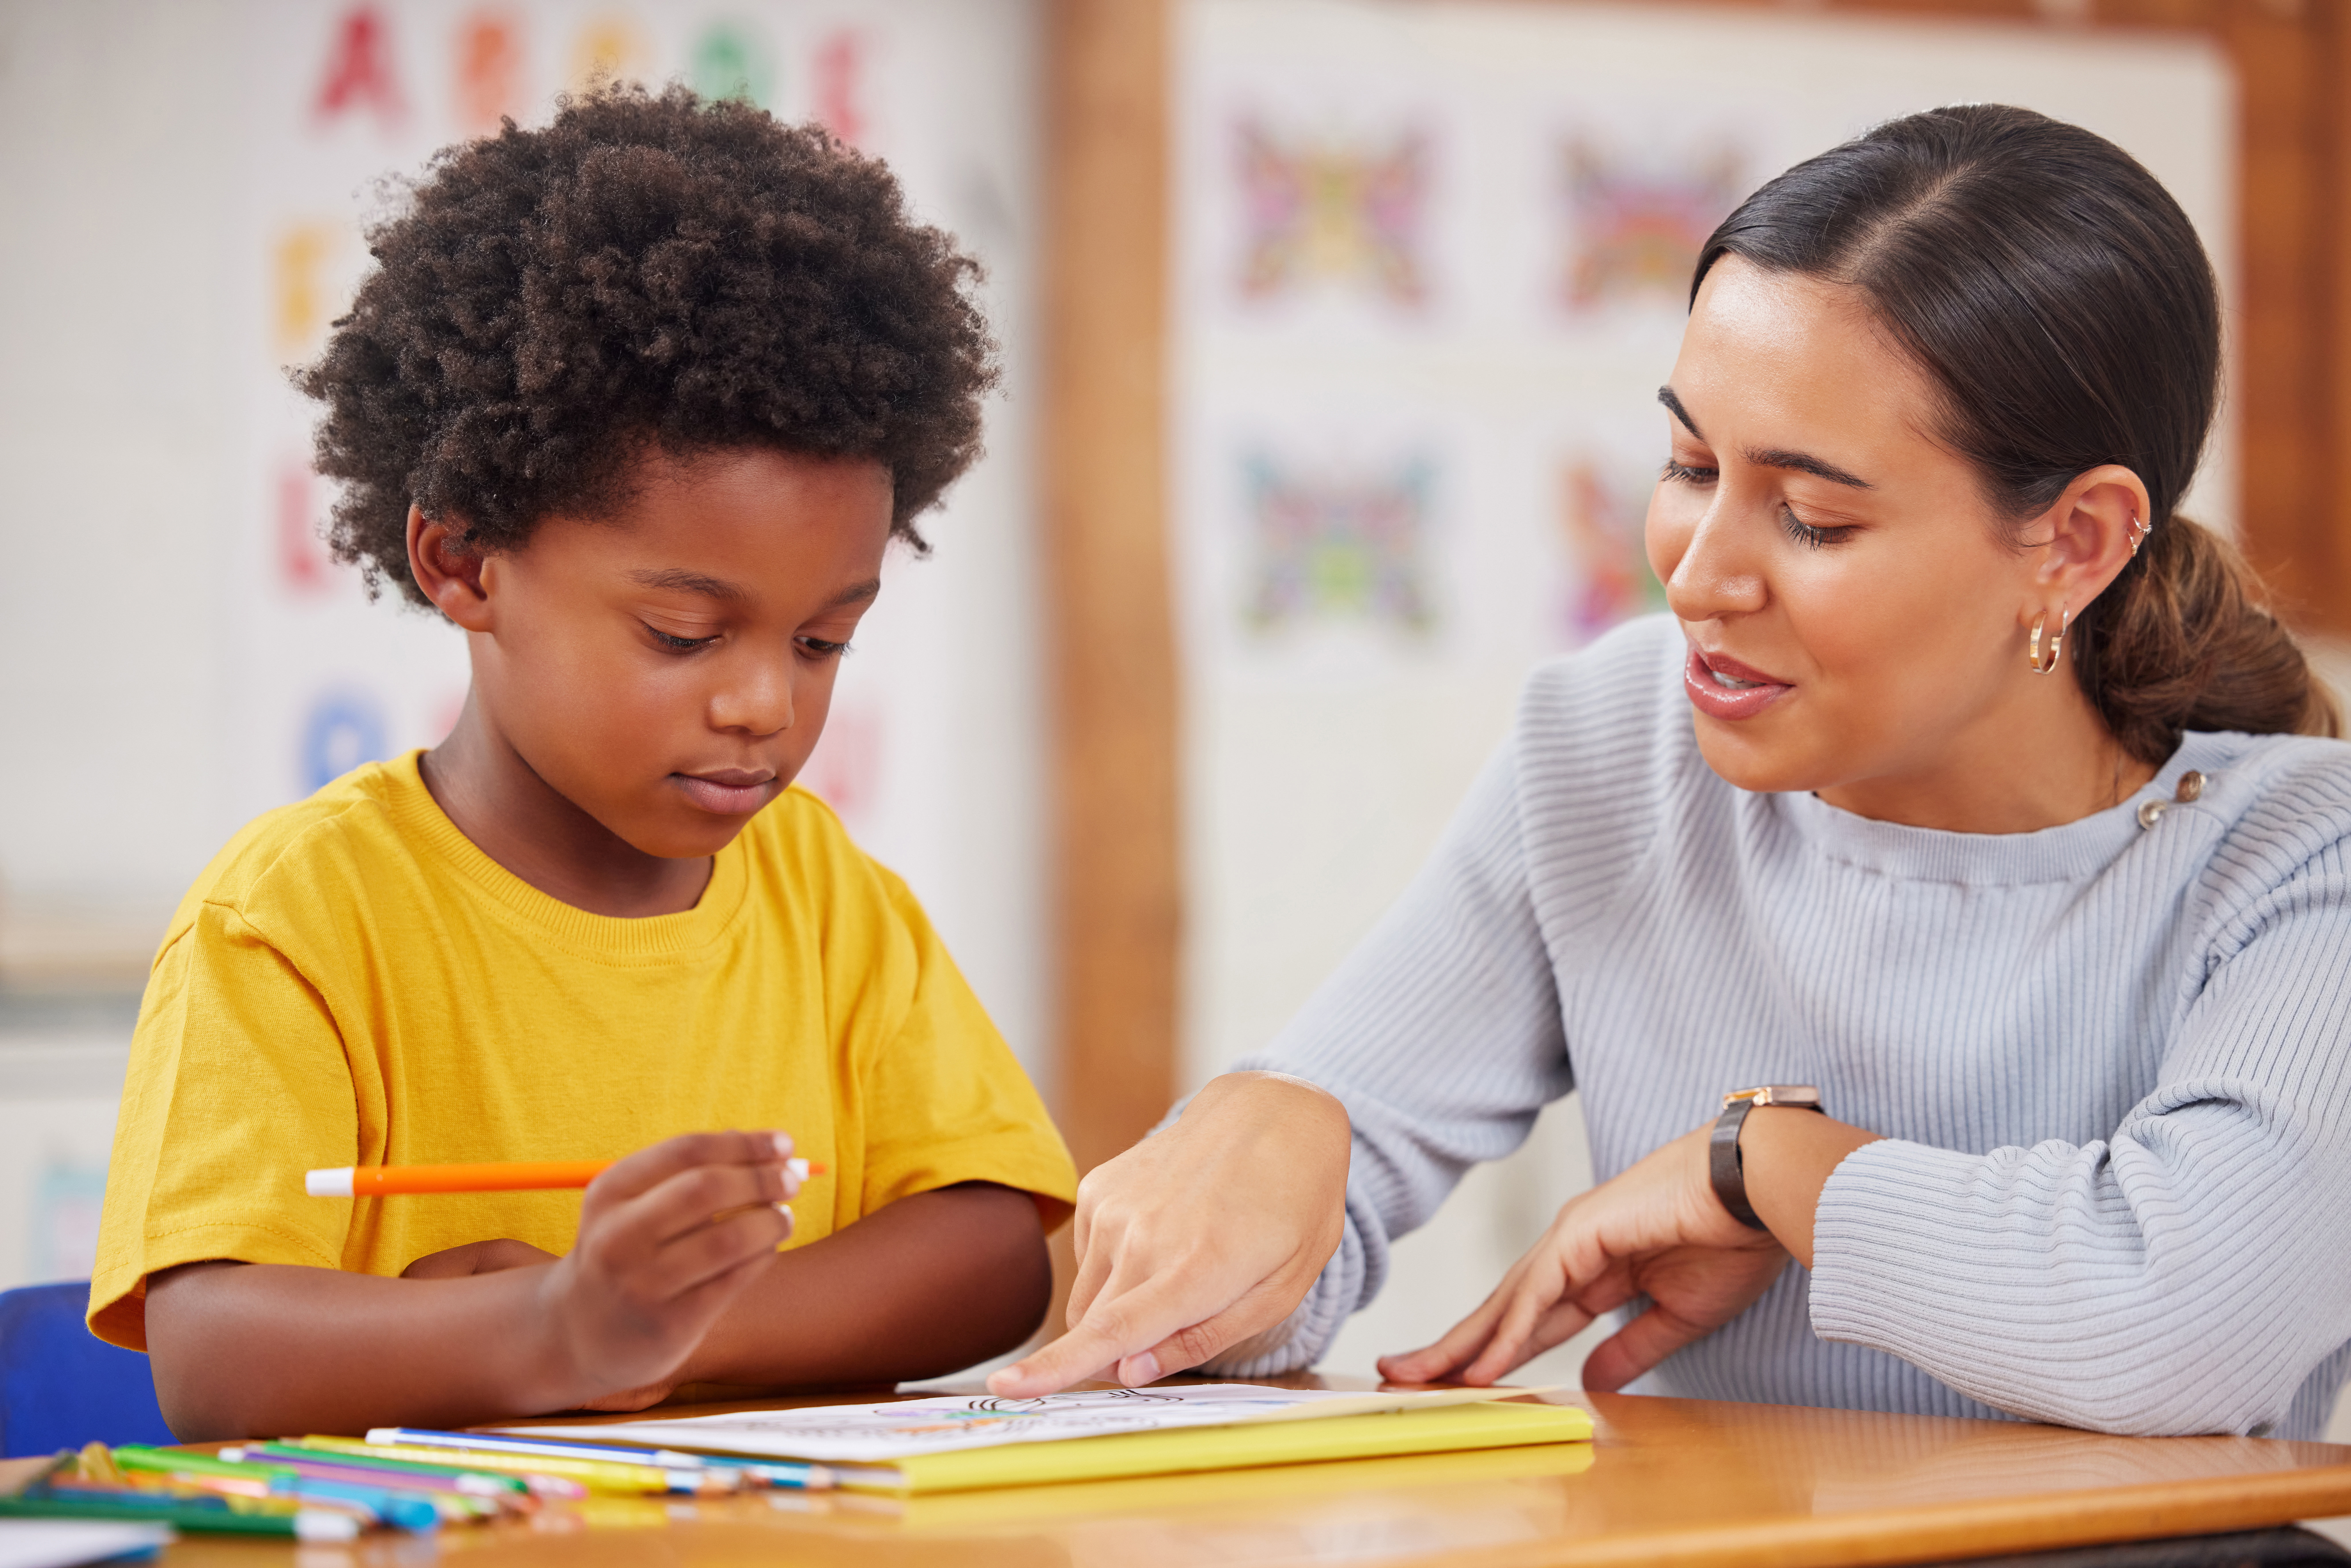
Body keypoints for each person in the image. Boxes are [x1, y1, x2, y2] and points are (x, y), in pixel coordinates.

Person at [992, 104, 2351, 1439]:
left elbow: (2178, 1320)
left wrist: (1764, 1166)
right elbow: (1313, 1212)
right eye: (1688, 462)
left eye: (1813, 518)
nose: (1692, 575)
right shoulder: (1612, 745)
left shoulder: (2301, 857)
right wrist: (1269, 1139)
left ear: (2072, 541)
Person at [88, 85, 1076, 1441]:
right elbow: (212, 1358)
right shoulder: (294, 919)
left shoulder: (825, 896)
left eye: (820, 639)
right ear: (464, 561)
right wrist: (553, 1329)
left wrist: (667, 1326)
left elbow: (989, 1250)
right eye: (683, 632)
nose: (761, 706)